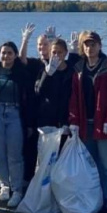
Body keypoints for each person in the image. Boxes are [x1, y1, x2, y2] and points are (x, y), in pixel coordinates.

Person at [68, 31, 107, 213]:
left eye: (93, 44)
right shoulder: (78, 68)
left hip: (104, 124)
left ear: (100, 46)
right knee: (91, 165)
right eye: (86, 44)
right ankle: (95, 201)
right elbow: (74, 98)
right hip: (86, 124)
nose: (89, 48)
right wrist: (74, 121)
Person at [19, 25, 79, 182]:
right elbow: (39, 90)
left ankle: (60, 192)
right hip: (46, 122)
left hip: (65, 123)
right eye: (54, 52)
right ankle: (43, 191)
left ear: (65, 53)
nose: (57, 55)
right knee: (45, 161)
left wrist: (70, 122)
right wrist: (48, 74)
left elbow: (76, 95)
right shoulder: (45, 68)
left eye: (60, 52)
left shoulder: (71, 71)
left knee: (62, 161)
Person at [0, 41, 36, 208]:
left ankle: (17, 189)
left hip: (15, 115)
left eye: (9, 53)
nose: (6, 56)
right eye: (3, 52)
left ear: (15, 55)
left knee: (15, 155)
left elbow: (30, 98)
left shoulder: (21, 73)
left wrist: (30, 123)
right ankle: (4, 185)